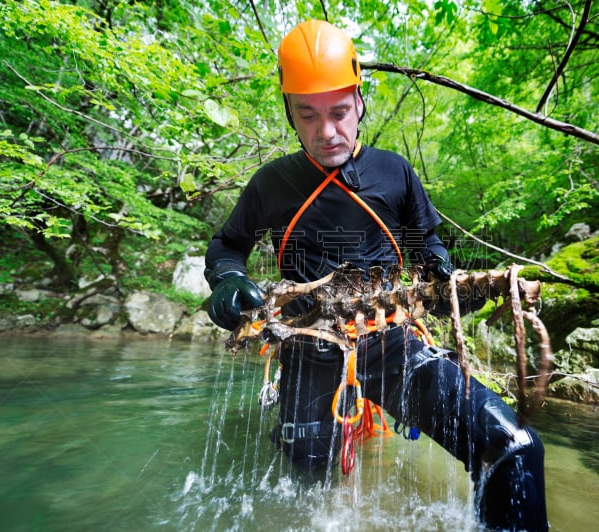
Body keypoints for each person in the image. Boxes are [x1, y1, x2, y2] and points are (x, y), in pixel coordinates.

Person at [204, 19, 548, 531]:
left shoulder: (394, 172)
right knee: (306, 478)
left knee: (514, 448)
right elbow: (228, 245)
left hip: (391, 341)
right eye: (308, 115)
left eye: (340, 112)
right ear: (290, 115)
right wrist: (226, 280)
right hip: (305, 345)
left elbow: (427, 238)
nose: (327, 132)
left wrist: (440, 269)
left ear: (360, 102)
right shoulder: (271, 183)